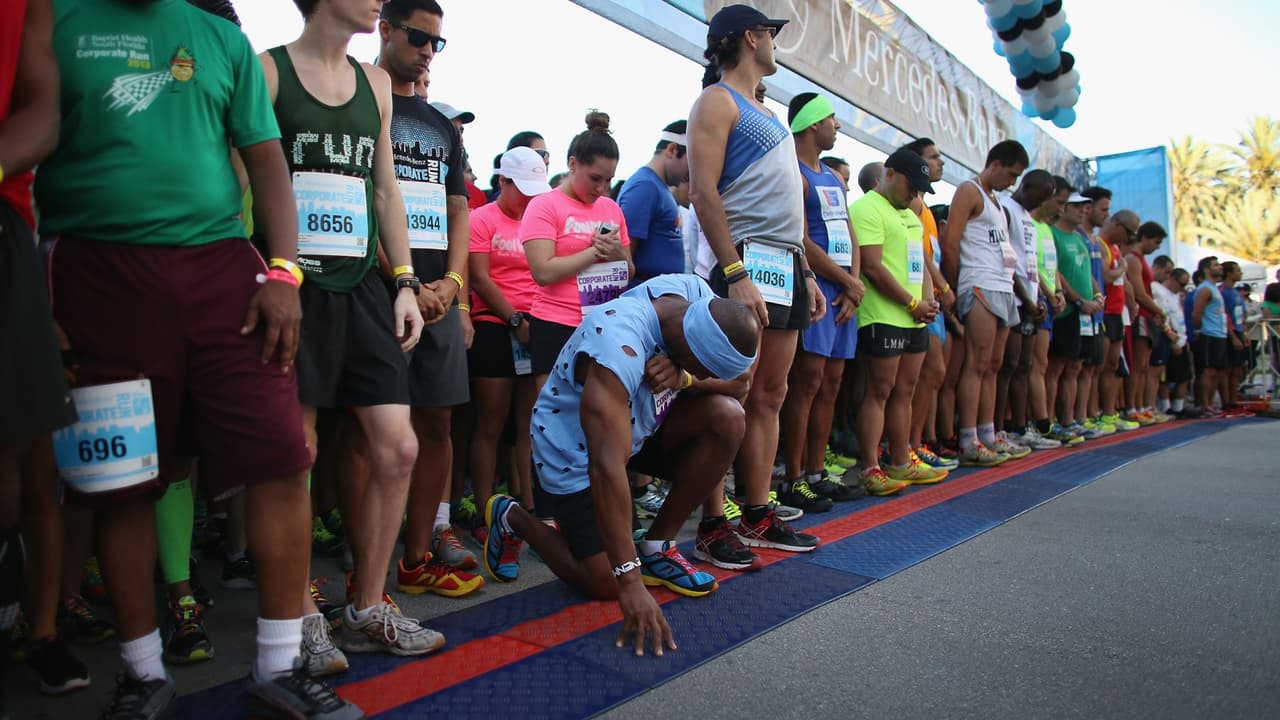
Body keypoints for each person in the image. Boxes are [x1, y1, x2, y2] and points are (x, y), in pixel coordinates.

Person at [38, 0, 364, 716]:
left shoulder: (221, 38)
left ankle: (280, 666)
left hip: (223, 272)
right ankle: (142, 672)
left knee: (282, 459)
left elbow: (267, 160)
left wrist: (283, 272)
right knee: (120, 479)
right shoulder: (53, 19)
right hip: (95, 273)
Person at [262, 0, 439, 663]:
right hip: (293, 282)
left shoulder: (375, 84)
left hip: (367, 285)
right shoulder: (269, 72)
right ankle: (298, 610)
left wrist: (403, 281)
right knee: (295, 453)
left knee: (398, 448)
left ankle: (367, 604)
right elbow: (246, 174)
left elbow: (386, 188)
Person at [481, 276, 760, 656]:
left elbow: (741, 386)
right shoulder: (618, 348)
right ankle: (515, 519)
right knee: (606, 582)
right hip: (574, 451)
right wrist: (629, 583)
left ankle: (657, 545)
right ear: (693, 349)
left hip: (639, 427)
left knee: (728, 417)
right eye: (705, 369)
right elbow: (605, 467)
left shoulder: (695, 296)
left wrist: (687, 377)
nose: (709, 378)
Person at [687, 4, 825, 552]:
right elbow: (703, 193)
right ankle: (712, 521)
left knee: (770, 393)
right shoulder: (717, 102)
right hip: (744, 260)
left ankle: (757, 512)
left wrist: (806, 272)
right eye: (770, 33)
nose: (775, 44)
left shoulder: (769, 115)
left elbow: (787, 208)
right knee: (731, 391)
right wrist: (734, 271)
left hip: (785, 263)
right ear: (750, 37)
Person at [376, 0, 484, 596]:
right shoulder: (360, 100)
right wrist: (403, 280)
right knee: (369, 428)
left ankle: (417, 556)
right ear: (386, 28)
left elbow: (459, 209)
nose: (427, 49)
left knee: (438, 422)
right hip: (380, 291)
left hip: (440, 296)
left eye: (437, 42)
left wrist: (453, 285)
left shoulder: (442, 124)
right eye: (419, 36)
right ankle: (350, 567)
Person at [1, 0, 84, 704]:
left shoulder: (34, 8)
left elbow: (41, 114)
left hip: (11, 234)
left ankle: (44, 630)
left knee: (30, 472)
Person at [778, 92, 865, 508]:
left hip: (844, 291)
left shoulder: (832, 176)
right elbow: (801, 236)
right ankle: (793, 477)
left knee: (831, 384)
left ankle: (817, 471)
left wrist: (855, 285)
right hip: (816, 286)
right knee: (806, 384)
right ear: (813, 124)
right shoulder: (792, 172)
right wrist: (845, 281)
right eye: (832, 118)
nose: (837, 125)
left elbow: (849, 232)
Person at [466, 147, 551, 539]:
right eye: (523, 188)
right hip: (493, 325)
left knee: (528, 423)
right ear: (502, 181)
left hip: (537, 325)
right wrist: (513, 318)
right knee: (489, 422)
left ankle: (528, 505)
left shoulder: (541, 216)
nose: (530, 196)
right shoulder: (481, 218)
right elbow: (480, 277)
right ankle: (485, 509)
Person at [851, 149, 943, 492]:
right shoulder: (866, 208)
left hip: (915, 316)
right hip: (884, 314)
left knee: (905, 391)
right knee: (880, 391)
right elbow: (872, 267)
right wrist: (912, 303)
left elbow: (919, 263)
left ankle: (901, 460)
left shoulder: (910, 215)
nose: (914, 194)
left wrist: (929, 300)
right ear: (889, 174)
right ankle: (870, 467)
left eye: (920, 189)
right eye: (911, 186)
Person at [941, 140, 1030, 466]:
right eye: (1010, 174)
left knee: (993, 365)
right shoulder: (969, 190)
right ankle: (968, 439)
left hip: (1003, 286)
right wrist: (955, 287)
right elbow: (950, 244)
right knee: (976, 364)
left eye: (1018, 177)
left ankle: (988, 434)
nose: (1013, 182)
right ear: (994, 164)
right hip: (978, 285)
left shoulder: (997, 203)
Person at [900, 138, 960, 469]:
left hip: (931, 298)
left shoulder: (924, 206)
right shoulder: (911, 202)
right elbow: (918, 252)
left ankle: (916, 442)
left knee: (933, 374)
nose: (940, 162)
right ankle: (908, 446)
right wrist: (942, 284)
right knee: (928, 372)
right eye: (933, 157)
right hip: (920, 297)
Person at [997, 170, 1059, 449]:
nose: (1043, 201)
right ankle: (1001, 429)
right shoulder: (1006, 209)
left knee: (1024, 365)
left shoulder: (1028, 218)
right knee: (1006, 366)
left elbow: (1030, 263)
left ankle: (1021, 428)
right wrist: (1028, 299)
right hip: (1015, 299)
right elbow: (1009, 261)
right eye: (1041, 195)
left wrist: (1044, 296)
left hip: (1032, 301)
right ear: (1027, 187)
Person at [1044, 191, 1100, 445]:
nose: (1082, 211)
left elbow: (1086, 272)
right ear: (1063, 208)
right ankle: (1054, 421)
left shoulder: (1079, 238)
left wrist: (1097, 295)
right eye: (1076, 206)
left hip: (1086, 313)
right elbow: (1056, 272)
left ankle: (1072, 420)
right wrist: (1078, 300)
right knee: (1057, 368)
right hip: (1068, 311)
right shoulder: (1053, 234)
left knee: (1076, 367)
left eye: (1085, 207)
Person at [618, 121, 690, 282]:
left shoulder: (658, 187)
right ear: (672, 150)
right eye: (691, 161)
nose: (691, 172)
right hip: (644, 297)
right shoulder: (645, 187)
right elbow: (623, 256)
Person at [1122, 221, 1170, 421]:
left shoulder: (1141, 259)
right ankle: (1131, 407)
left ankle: (1141, 405)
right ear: (1145, 238)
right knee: (1137, 364)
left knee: (1144, 366)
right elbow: (1140, 294)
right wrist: (1160, 311)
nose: (1157, 247)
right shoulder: (1133, 259)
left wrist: (1156, 312)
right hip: (1141, 315)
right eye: (1156, 242)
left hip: (1148, 315)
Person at [1190, 256, 1228, 416]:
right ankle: (1205, 405)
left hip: (1219, 334)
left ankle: (1211, 403)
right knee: (1208, 370)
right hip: (1209, 334)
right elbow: (1196, 315)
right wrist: (1200, 331)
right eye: (1215, 265)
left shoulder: (1214, 289)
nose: (1220, 267)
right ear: (1206, 269)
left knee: (1217, 371)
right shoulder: (1205, 289)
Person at [1151, 255, 1188, 415]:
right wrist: (1170, 335)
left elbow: (1177, 317)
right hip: (1166, 337)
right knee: (1160, 374)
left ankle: (1177, 407)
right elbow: (1163, 316)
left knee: (1180, 374)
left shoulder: (1175, 295)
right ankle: (1162, 406)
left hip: (1179, 337)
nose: (1181, 287)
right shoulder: (1156, 288)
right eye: (1167, 273)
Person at [1218, 261, 1250, 413]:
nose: (1240, 273)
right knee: (1226, 369)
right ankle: (1226, 401)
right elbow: (1225, 316)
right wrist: (1233, 337)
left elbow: (1241, 316)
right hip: (1227, 333)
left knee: (1237, 369)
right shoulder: (1222, 291)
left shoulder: (1236, 292)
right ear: (1229, 273)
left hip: (1238, 331)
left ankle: (1234, 398)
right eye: (1238, 270)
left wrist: (1244, 334)